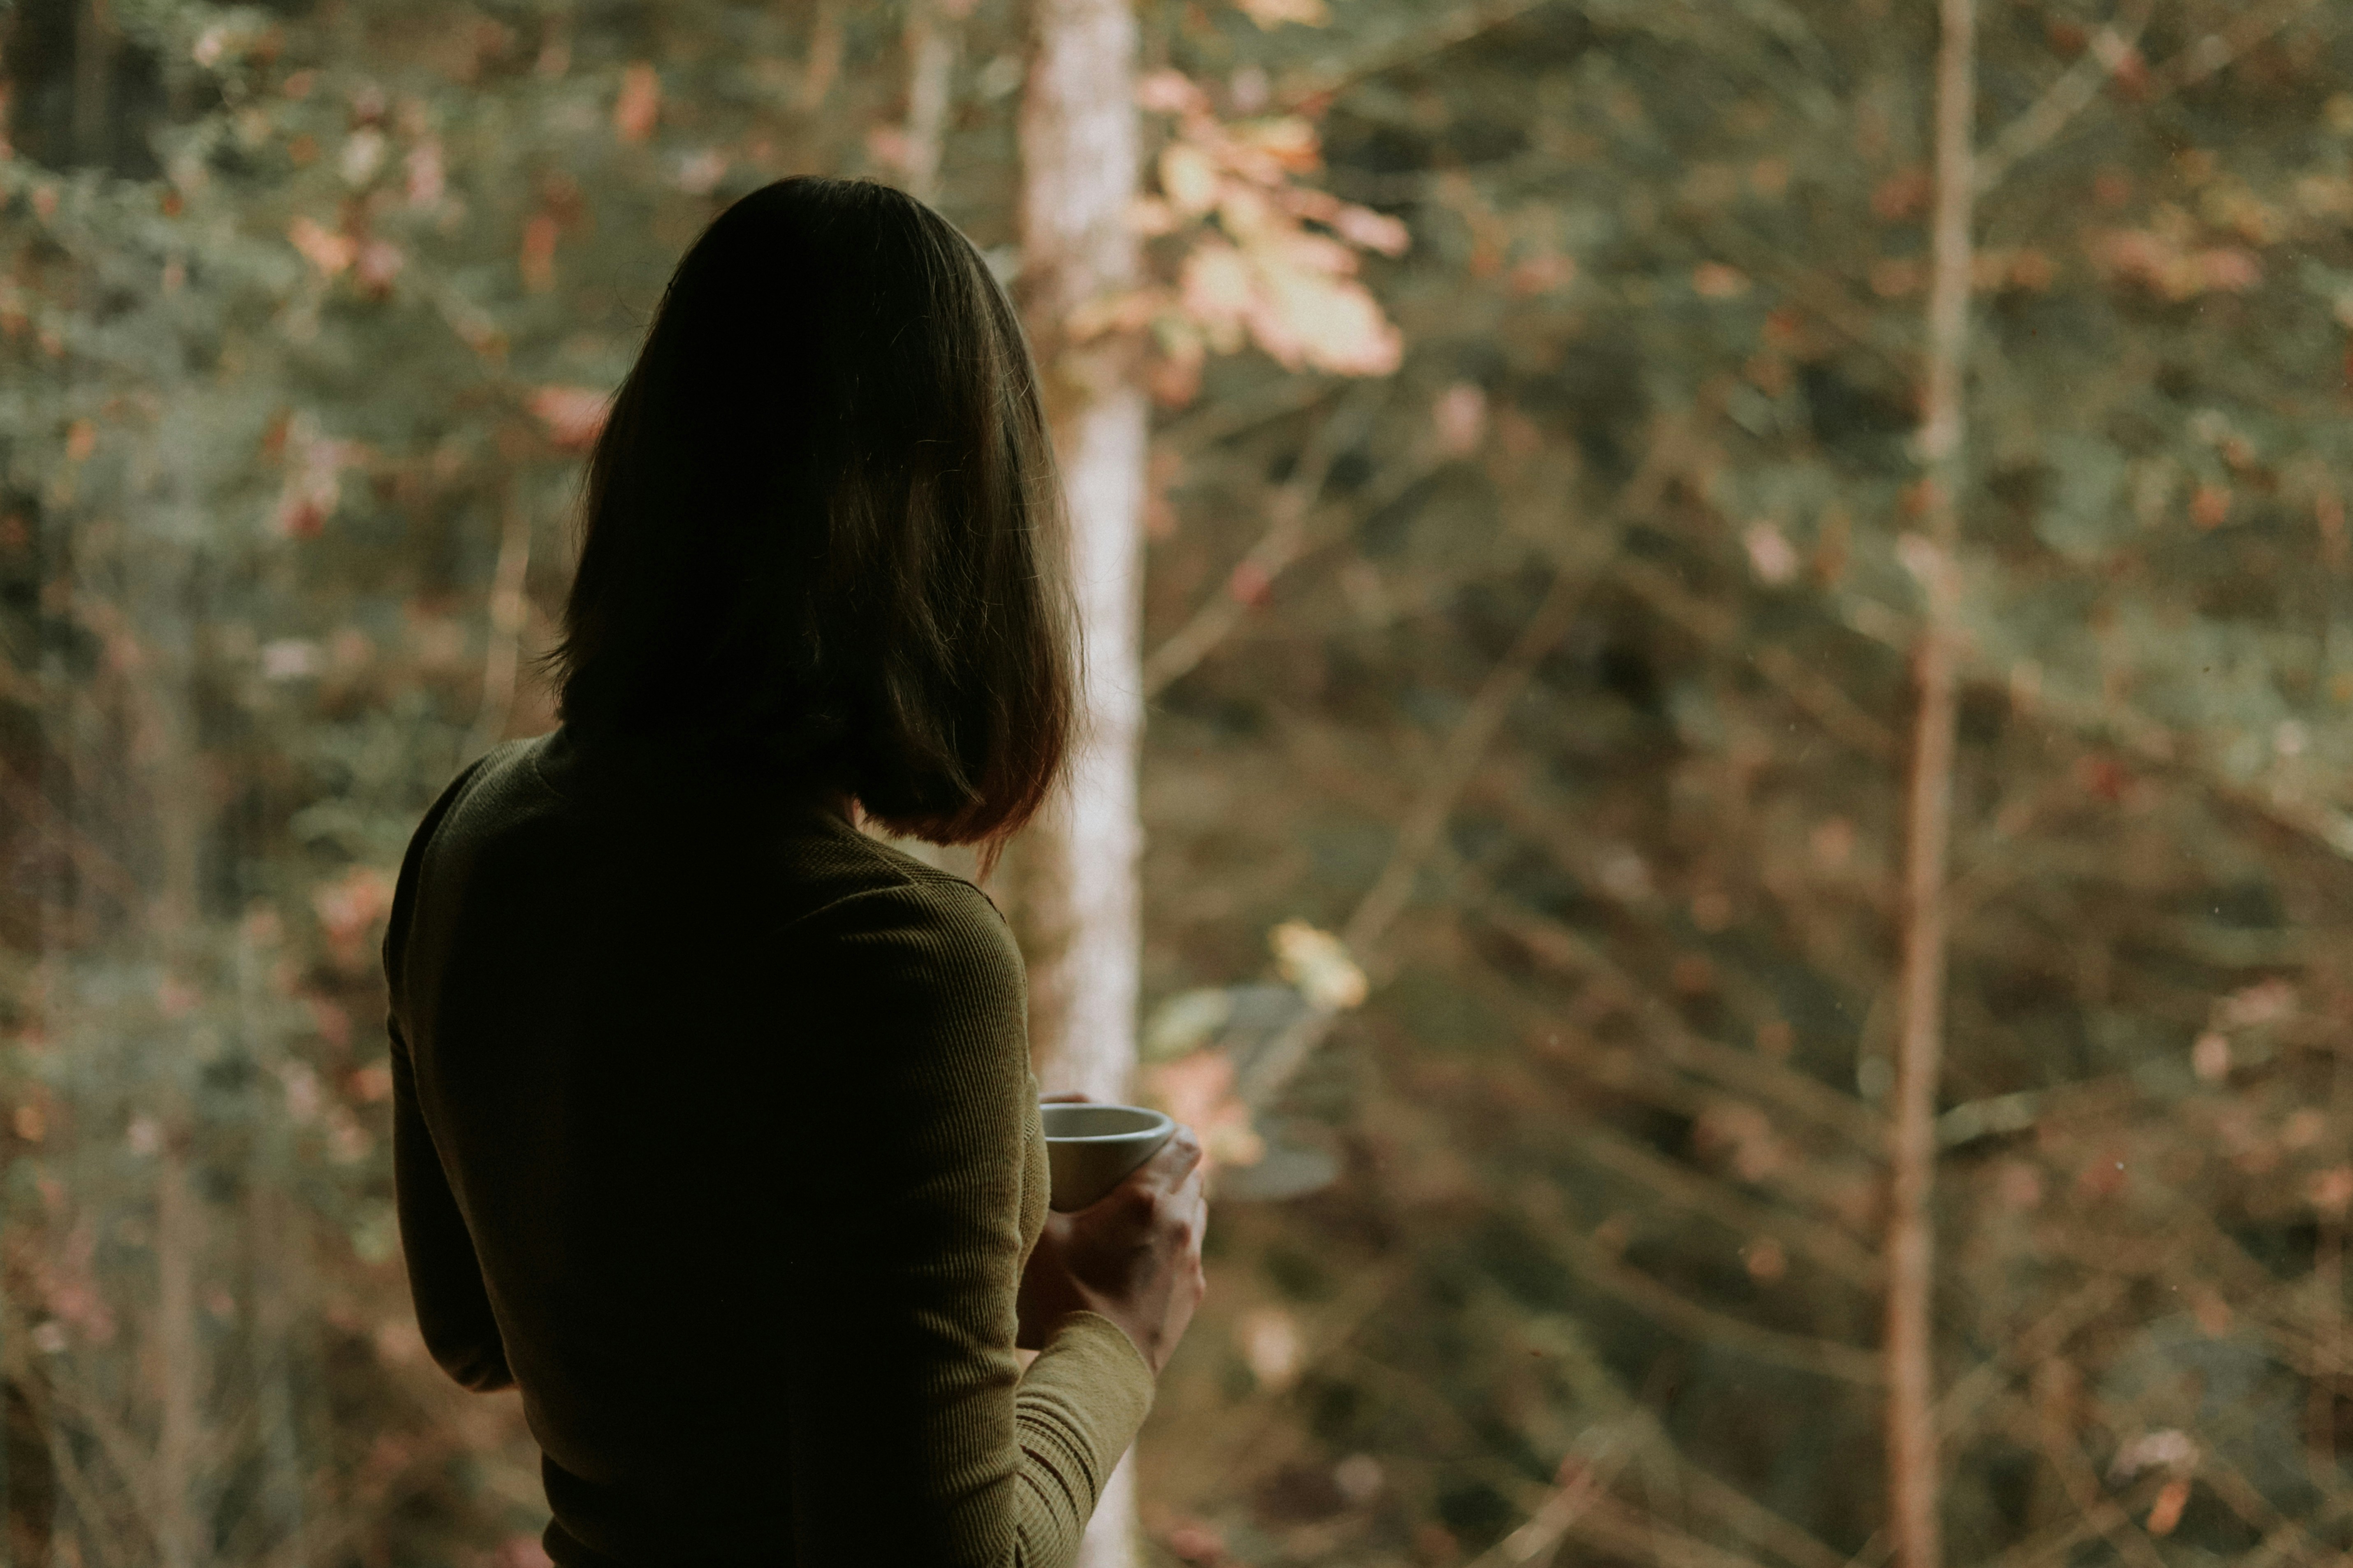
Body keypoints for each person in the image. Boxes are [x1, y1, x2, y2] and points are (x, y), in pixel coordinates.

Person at [380, 176, 1207, 1566]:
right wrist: (1109, 1337)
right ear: (970, 536)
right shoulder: (895, 956)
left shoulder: (473, 834)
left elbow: (482, 1330)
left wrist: (941, 1203)